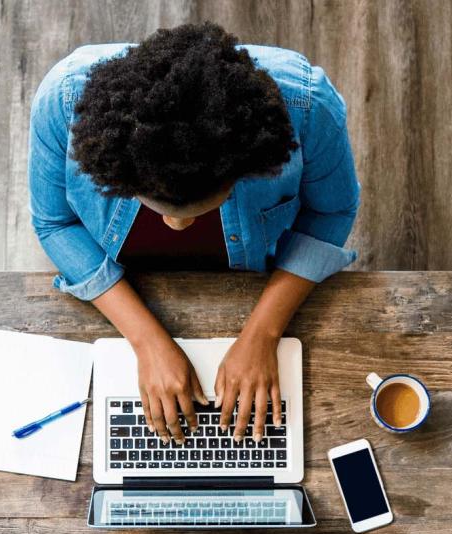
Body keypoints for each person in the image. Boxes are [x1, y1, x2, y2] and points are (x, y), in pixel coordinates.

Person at [29, 22, 359, 446]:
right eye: (160, 208)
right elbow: (55, 223)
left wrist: (263, 333)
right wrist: (146, 342)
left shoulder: (307, 105)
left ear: (246, 169)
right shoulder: (64, 100)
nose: (178, 227)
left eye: (200, 209)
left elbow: (333, 209)